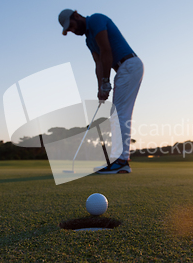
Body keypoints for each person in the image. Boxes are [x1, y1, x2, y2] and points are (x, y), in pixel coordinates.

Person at [58, 9, 144, 174]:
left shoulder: (96, 20)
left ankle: (121, 161)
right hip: (123, 69)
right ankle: (119, 160)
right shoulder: (88, 40)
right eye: (69, 30)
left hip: (129, 65)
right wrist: (101, 88)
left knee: (119, 115)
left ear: (76, 15)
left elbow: (106, 51)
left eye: (72, 26)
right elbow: (98, 63)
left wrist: (106, 81)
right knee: (116, 115)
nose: (72, 31)